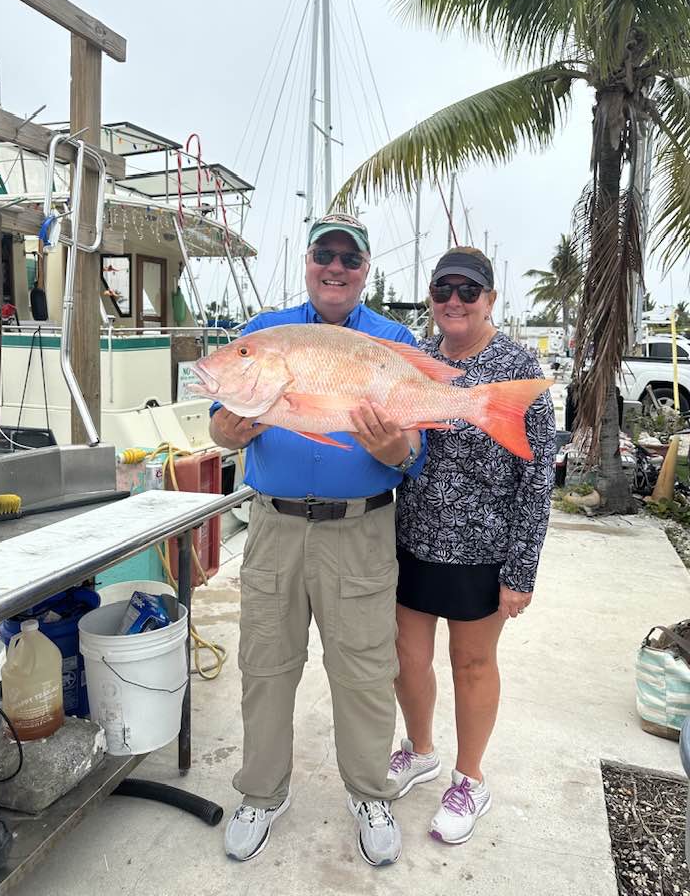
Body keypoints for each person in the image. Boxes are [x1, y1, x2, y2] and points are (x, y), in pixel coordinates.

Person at [210, 213, 426, 866]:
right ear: (307, 262)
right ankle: (262, 792)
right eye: (324, 255)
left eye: (349, 259)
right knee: (265, 666)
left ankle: (369, 792)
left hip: (360, 530)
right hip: (273, 527)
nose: (335, 267)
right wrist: (228, 432)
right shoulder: (263, 336)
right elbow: (220, 427)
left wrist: (398, 450)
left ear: (365, 271)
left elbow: (413, 452)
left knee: (364, 671)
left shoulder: (394, 339)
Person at [386, 246, 555, 845]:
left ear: (490, 298)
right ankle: (421, 749)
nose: (454, 301)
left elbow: (539, 481)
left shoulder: (517, 367)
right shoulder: (415, 358)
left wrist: (521, 570)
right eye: (442, 290)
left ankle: (470, 777)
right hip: (413, 536)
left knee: (473, 663)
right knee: (406, 658)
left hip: (484, 546)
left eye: (468, 290)